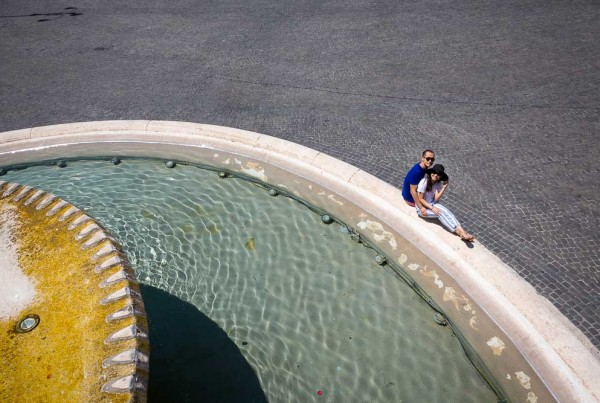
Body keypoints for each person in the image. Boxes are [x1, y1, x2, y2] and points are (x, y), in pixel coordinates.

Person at [415, 164, 475, 241]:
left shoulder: (437, 184)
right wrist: (432, 208)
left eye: (439, 174)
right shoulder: (424, 182)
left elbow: (436, 198)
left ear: (440, 176)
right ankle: (458, 232)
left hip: (432, 203)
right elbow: (420, 199)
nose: (436, 175)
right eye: (434, 172)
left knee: (446, 211)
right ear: (431, 172)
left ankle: (462, 231)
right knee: (440, 213)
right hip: (422, 208)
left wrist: (444, 187)